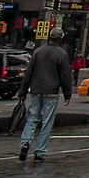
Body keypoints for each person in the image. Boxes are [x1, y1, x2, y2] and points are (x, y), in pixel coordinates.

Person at [18, 32, 68, 162]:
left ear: (49, 37)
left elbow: (29, 73)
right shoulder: (62, 54)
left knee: (31, 119)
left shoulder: (38, 52)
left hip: (35, 90)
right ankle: (39, 151)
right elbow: (65, 76)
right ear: (60, 39)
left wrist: (22, 91)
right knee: (47, 122)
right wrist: (67, 94)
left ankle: (25, 143)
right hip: (51, 91)